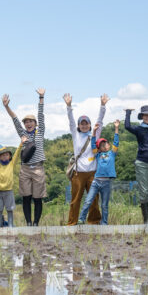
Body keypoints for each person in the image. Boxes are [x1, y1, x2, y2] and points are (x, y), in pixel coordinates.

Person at [3, 88, 47, 226]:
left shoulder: (40, 132)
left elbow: (40, 115)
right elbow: (15, 119)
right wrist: (6, 106)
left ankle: (36, 224)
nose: (28, 123)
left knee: (37, 198)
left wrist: (41, 97)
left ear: (35, 123)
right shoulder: (22, 133)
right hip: (25, 169)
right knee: (26, 197)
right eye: (26, 122)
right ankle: (28, 222)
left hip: (38, 168)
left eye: (30, 121)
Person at [64, 93, 108, 226]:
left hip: (93, 172)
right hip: (78, 173)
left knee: (94, 199)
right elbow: (71, 120)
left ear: (89, 125)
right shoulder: (75, 135)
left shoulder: (94, 135)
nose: (84, 125)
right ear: (78, 125)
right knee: (75, 199)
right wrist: (69, 106)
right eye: (81, 124)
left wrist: (103, 106)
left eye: (86, 123)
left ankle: (94, 221)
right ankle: (72, 222)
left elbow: (99, 121)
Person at [78, 121, 119, 225]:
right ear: (99, 148)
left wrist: (116, 128)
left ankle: (104, 223)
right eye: (102, 144)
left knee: (104, 205)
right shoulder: (97, 154)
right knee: (88, 201)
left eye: (105, 143)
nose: (104, 145)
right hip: (96, 182)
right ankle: (81, 219)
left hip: (106, 183)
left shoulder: (112, 153)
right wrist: (94, 132)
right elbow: (92, 144)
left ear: (109, 145)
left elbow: (116, 142)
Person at [0, 134, 24, 227]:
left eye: (6, 154)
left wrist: (21, 144)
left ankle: (10, 225)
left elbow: (17, 154)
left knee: (10, 209)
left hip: (9, 190)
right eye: (2, 155)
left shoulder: (11, 164)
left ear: (9, 156)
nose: (4, 156)